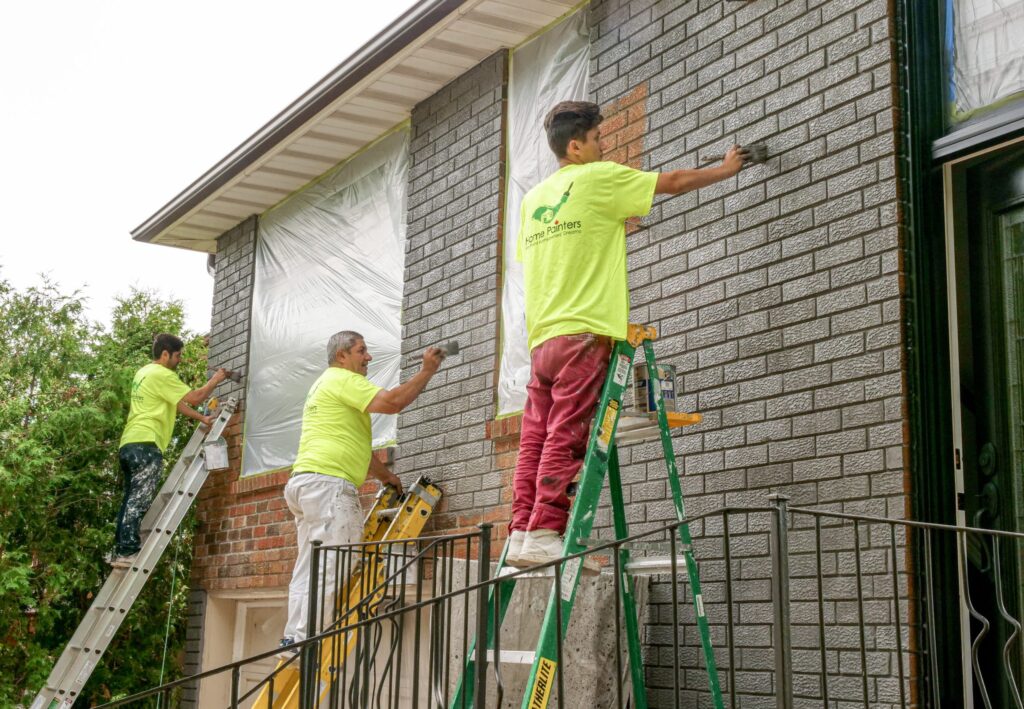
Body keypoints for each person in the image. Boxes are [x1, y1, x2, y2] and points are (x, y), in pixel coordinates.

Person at [506, 100, 748, 567]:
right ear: (576, 147)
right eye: (598, 139)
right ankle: (545, 530)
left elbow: (562, 247)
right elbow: (672, 183)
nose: (604, 146)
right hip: (584, 332)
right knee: (567, 435)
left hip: (543, 339)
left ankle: (521, 531)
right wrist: (723, 169)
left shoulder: (533, 201)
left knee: (535, 438)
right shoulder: (597, 178)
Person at [279, 331, 445, 653]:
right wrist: (427, 370)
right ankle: (306, 640)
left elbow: (363, 455)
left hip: (305, 484)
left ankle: (292, 638)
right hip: (328, 486)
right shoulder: (342, 379)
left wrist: (388, 478)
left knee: (309, 565)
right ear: (342, 356)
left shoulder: (325, 386)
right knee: (334, 563)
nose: (368, 357)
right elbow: (393, 403)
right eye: (361, 351)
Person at [112, 333, 227, 568]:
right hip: (146, 443)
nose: (179, 360)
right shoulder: (162, 374)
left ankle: (119, 549)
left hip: (130, 443)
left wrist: (201, 419)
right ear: (165, 354)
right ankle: (127, 551)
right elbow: (195, 397)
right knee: (139, 499)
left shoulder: (144, 373)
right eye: (177, 355)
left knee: (129, 499)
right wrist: (216, 379)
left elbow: (177, 403)